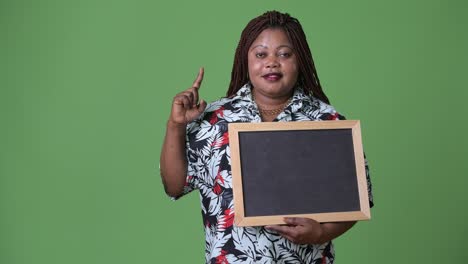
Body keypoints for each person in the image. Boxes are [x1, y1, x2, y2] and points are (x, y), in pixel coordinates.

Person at [160, 10, 373, 264]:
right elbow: (175, 185)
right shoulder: (214, 120)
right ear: (245, 60)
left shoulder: (327, 122)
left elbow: (354, 199)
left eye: (284, 54)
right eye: (261, 54)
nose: (272, 62)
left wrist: (322, 232)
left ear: (300, 60)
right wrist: (175, 126)